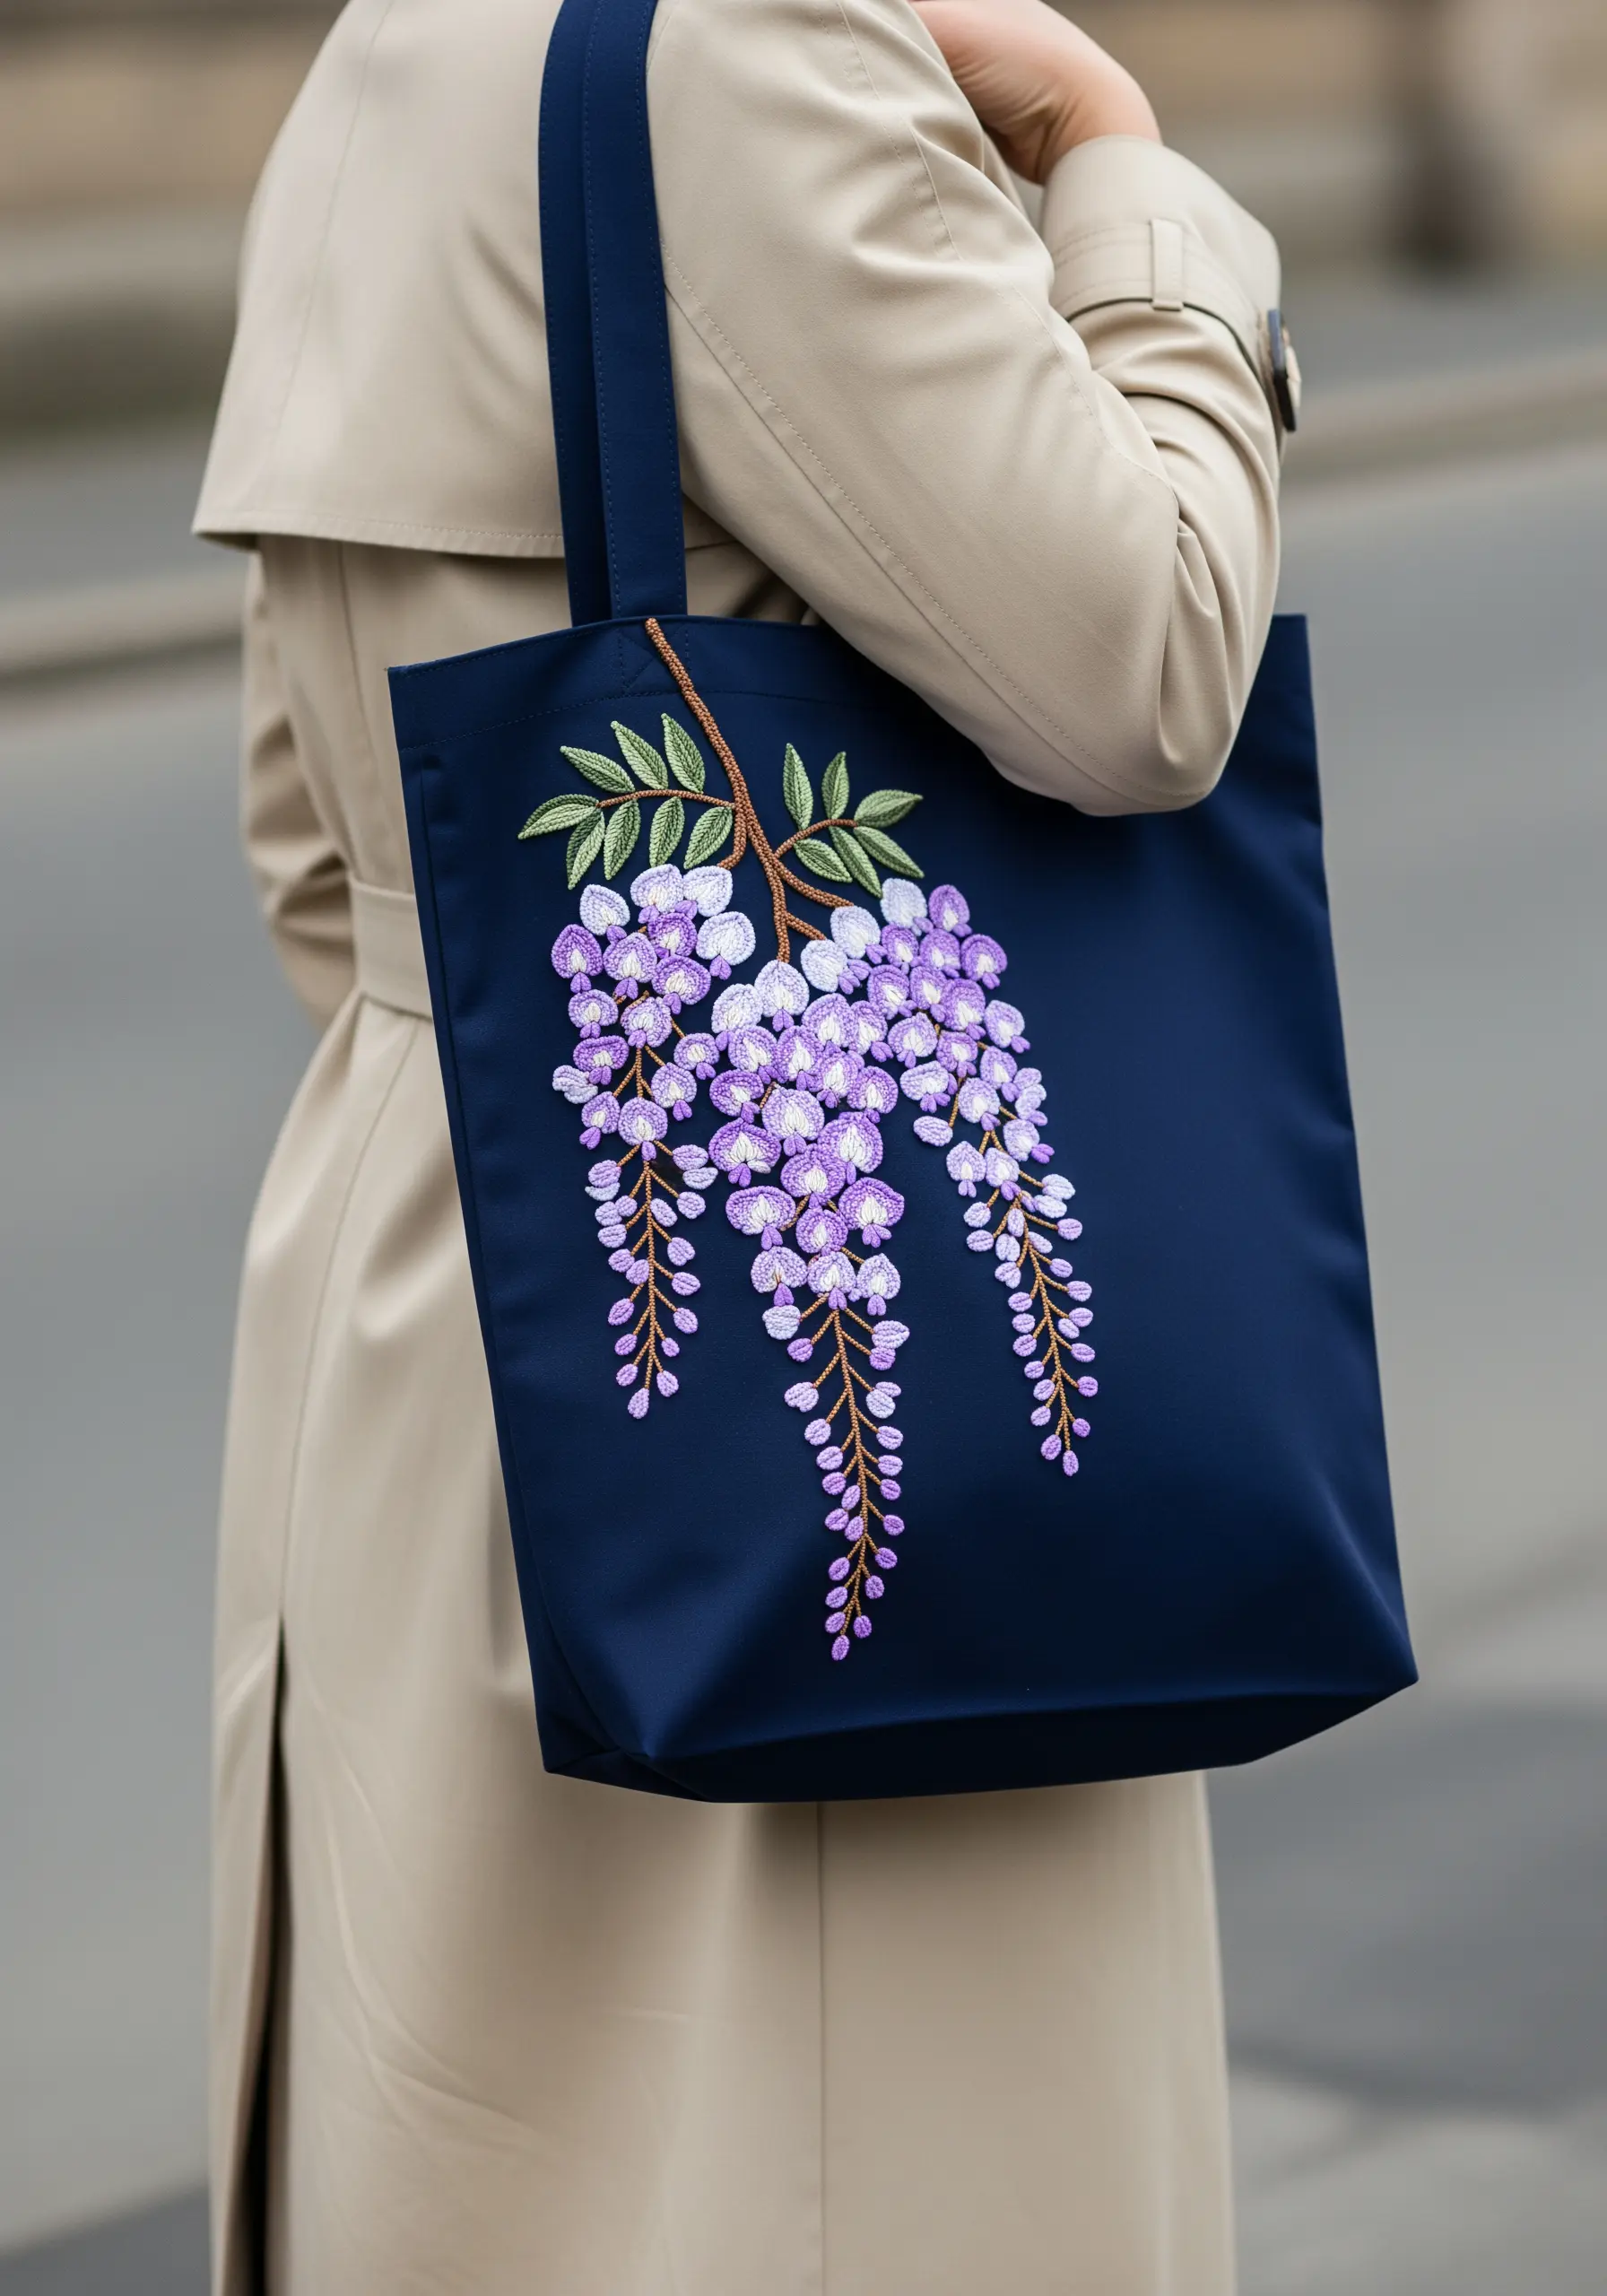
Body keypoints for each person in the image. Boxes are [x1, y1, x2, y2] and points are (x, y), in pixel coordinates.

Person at [195, 0, 1289, 2286]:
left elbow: (319, 848)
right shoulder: (769, 54)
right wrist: (1121, 179)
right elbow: (1143, 662)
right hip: (821, 1372)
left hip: (447, 1286)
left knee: (488, 2164)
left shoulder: (387, 56)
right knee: (847, 2174)